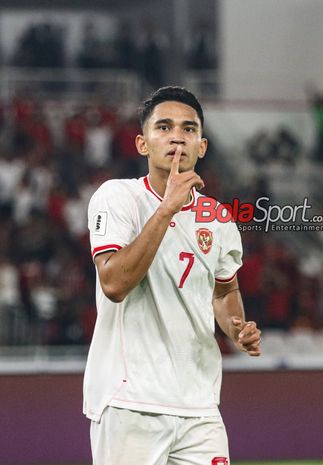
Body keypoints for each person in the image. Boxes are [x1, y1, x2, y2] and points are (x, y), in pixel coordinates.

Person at [84, 86, 262, 465]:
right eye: (163, 127)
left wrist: (237, 327)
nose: (177, 136)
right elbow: (114, 284)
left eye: (189, 128)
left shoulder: (219, 219)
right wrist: (167, 209)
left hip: (199, 405)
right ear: (142, 144)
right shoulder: (117, 198)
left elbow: (222, 291)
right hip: (130, 403)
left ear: (202, 146)